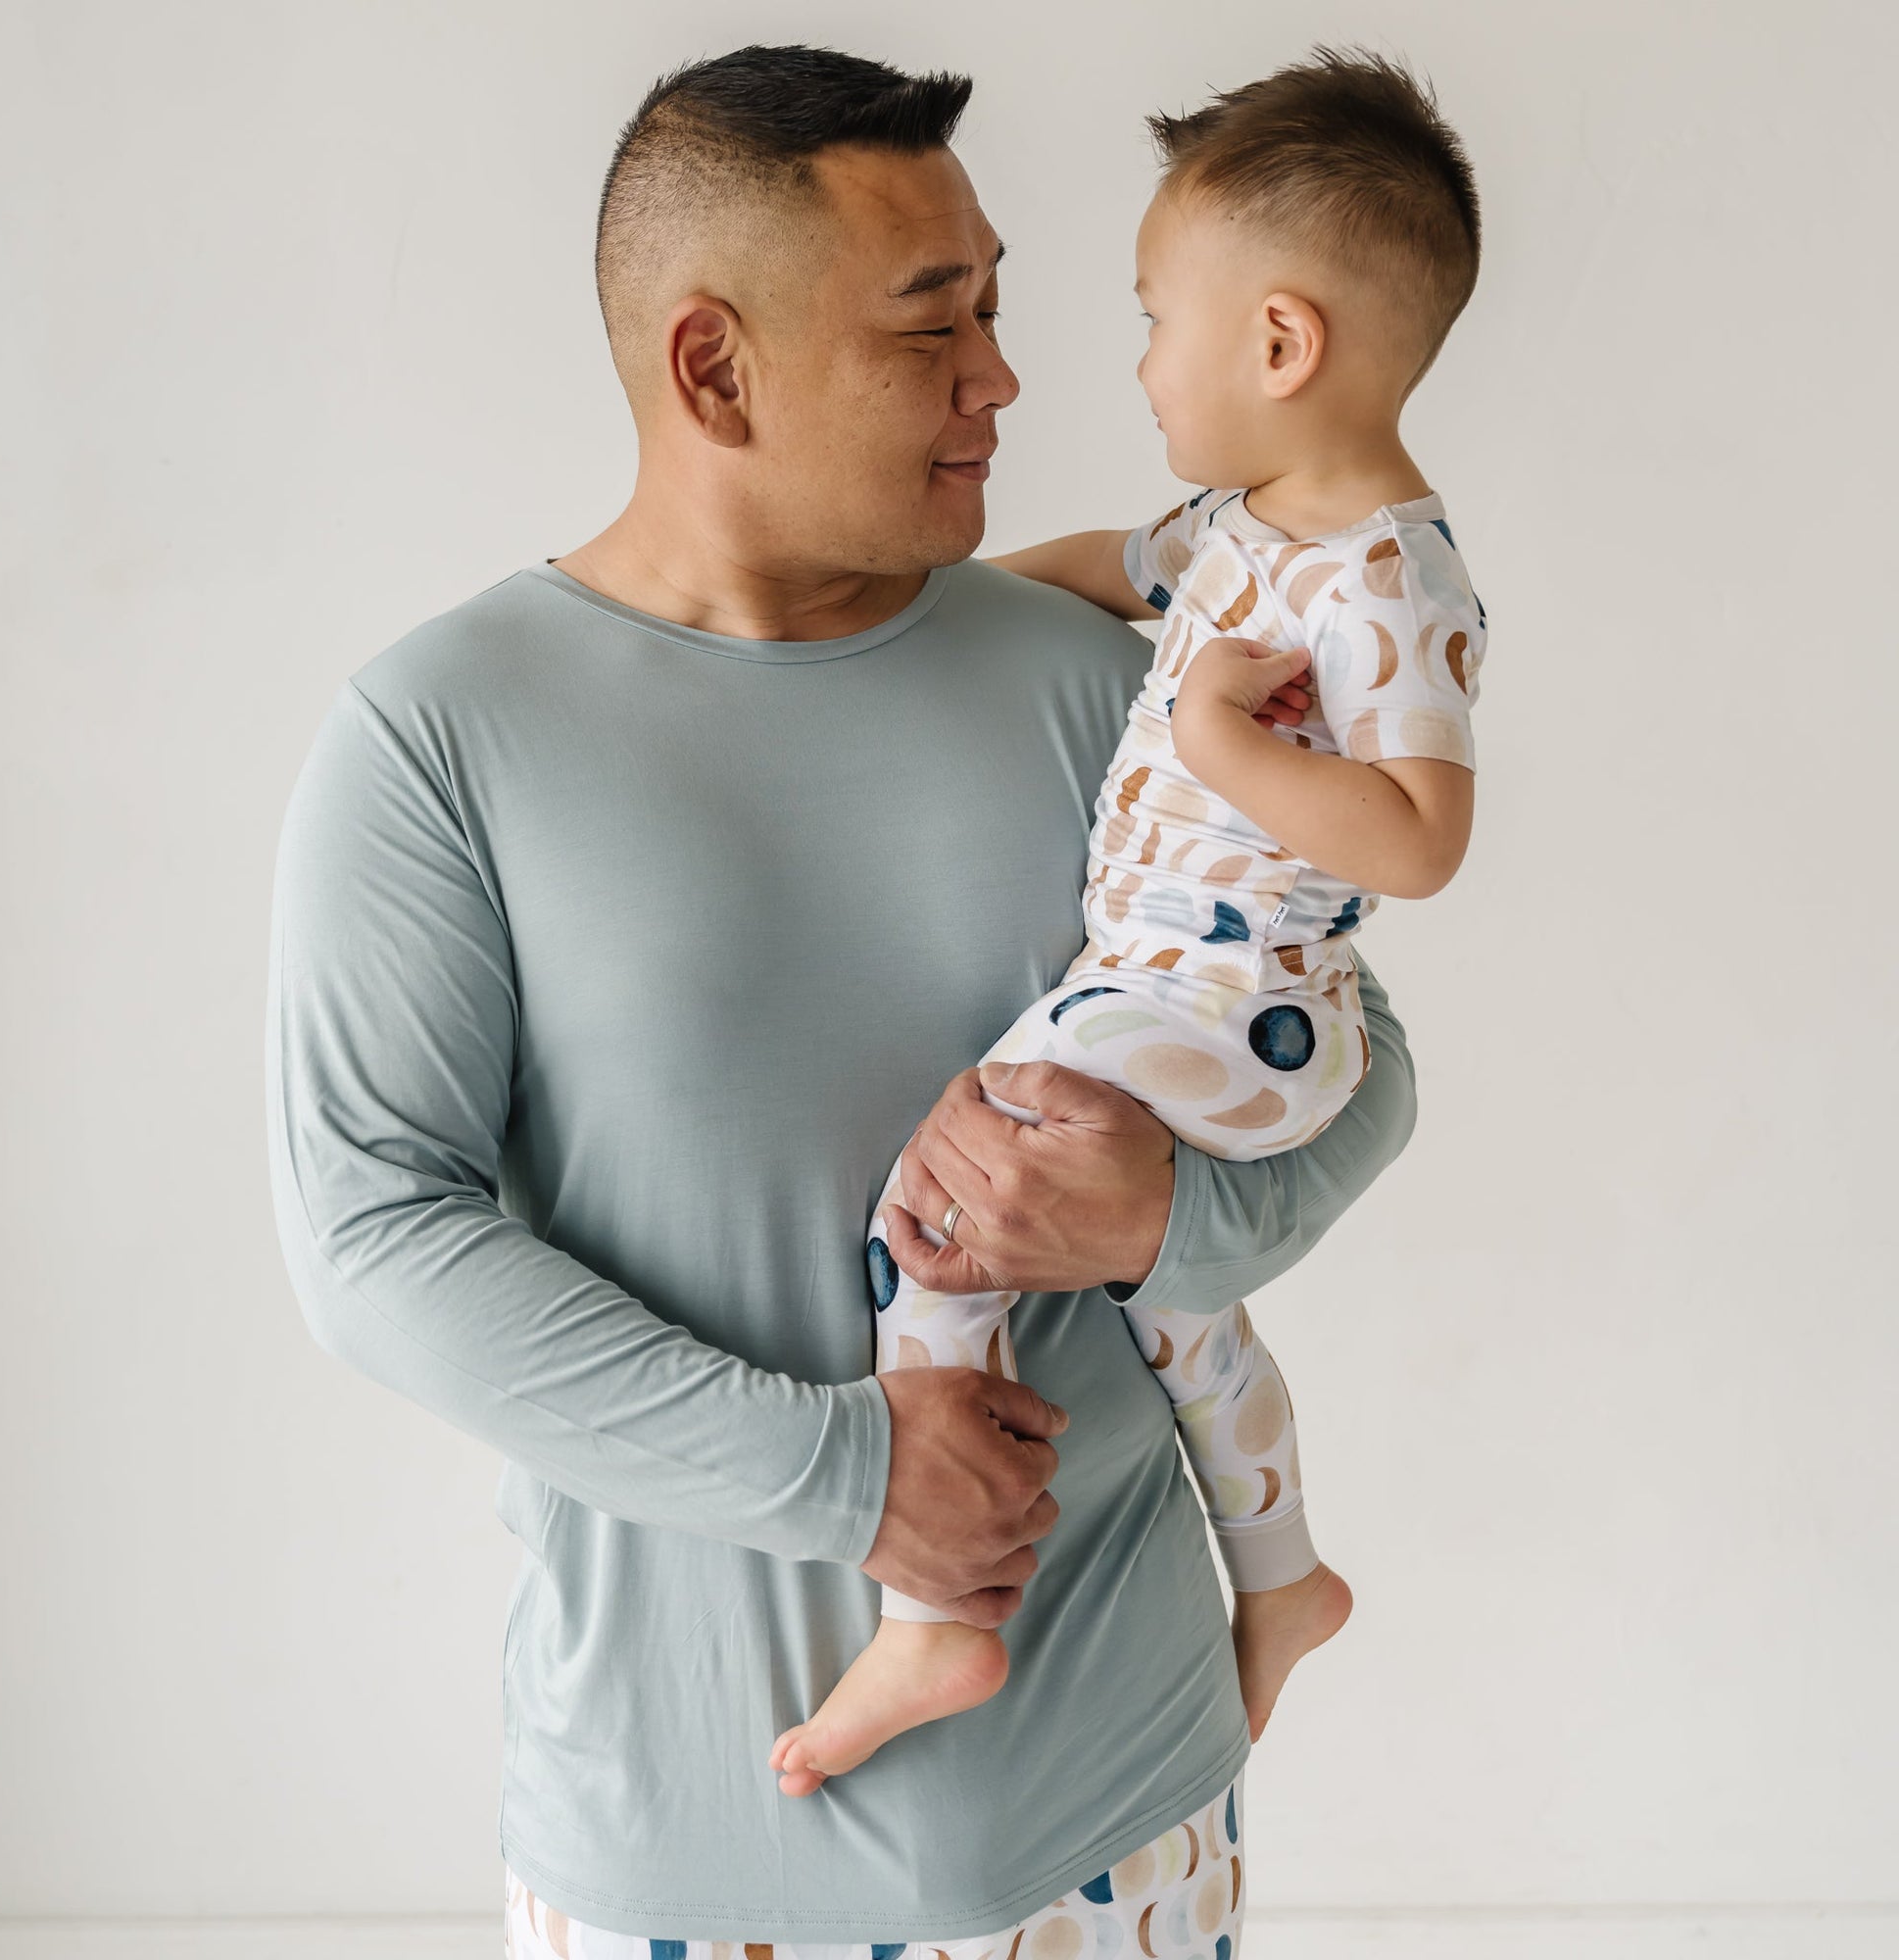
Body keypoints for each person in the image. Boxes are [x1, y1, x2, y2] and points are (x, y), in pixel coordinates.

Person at [264, 42, 1417, 1954]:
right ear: (714, 368)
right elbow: (374, 1238)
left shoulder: (1104, 680)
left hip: (1125, 1811)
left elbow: (1357, 1055)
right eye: (929, 322)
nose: (1000, 378)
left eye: (996, 309)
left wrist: (1168, 1217)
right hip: (676, 1849)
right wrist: (850, 1475)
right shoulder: (440, 735)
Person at [771, 44, 1484, 1799]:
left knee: (941, 1203)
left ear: (1281, 343)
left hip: (1241, 1002)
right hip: (1156, 979)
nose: (1141, 360)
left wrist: (1226, 742)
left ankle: (934, 1616)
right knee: (1177, 1315)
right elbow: (1115, 563)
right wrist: (935, 603)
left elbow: (1422, 841)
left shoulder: (1390, 577)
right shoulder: (1243, 525)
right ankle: (1284, 1578)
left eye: (1159, 319)